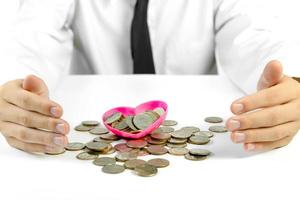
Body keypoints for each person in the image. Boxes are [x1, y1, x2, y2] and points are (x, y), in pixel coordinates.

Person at [0, 0, 299, 154]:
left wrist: (287, 82)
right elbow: (31, 33)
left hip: (193, 117)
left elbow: (254, 34)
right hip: (83, 119)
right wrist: (15, 87)